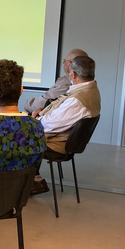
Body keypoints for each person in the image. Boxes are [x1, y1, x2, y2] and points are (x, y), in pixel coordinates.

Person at [31, 55, 101, 195]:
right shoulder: (91, 89)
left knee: (15, 135)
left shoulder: (78, 99)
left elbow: (46, 126)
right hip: (62, 138)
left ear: (73, 74)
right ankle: (33, 178)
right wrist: (43, 111)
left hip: (56, 143)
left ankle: (33, 182)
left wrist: (36, 118)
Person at [24, 49, 88, 114]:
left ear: (69, 64)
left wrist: (28, 103)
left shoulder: (65, 84)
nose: (64, 63)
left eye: (64, 61)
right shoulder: (87, 86)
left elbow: (35, 106)